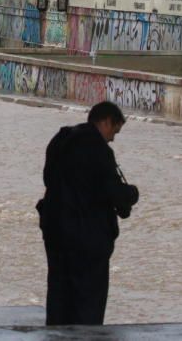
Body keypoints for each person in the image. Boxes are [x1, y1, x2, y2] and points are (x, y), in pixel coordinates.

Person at [36, 101, 139, 326]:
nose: (112, 138)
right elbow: (113, 193)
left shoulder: (60, 139)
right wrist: (132, 194)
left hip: (55, 232)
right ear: (105, 122)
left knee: (59, 294)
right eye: (114, 131)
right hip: (87, 240)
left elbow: (48, 178)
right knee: (88, 304)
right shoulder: (99, 150)